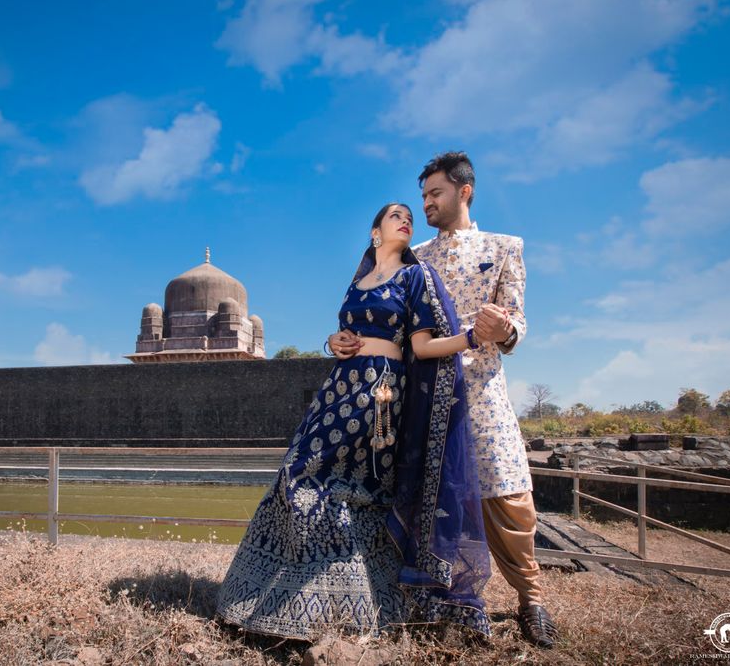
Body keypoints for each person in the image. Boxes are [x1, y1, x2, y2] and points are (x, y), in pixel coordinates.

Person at [216, 203, 490, 640]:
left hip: (380, 392)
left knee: (343, 484)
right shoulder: (359, 282)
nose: (406, 220)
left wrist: (473, 336)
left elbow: (421, 347)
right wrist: (333, 340)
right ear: (375, 231)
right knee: (297, 472)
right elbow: (343, 332)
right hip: (340, 385)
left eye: (409, 217)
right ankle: (279, 600)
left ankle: (355, 604)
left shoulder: (413, 277)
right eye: (395, 216)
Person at [329, 152, 559, 648]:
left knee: (508, 496)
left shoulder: (504, 247)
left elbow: (517, 320)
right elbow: (369, 309)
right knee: (421, 496)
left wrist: (506, 329)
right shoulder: (416, 256)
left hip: (480, 391)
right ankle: (421, 598)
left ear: (464, 191)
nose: (426, 203)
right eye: (422, 196)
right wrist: (338, 340)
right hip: (417, 394)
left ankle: (531, 600)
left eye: (435, 193)